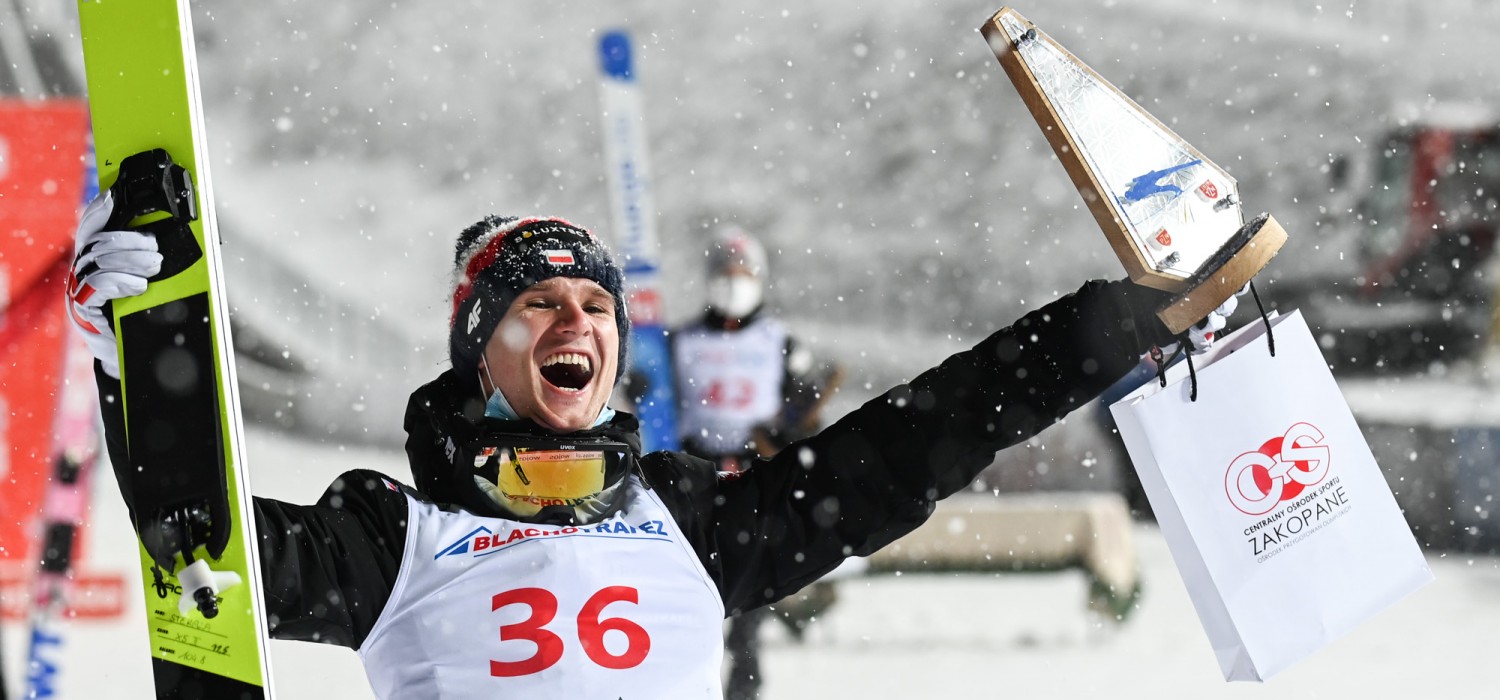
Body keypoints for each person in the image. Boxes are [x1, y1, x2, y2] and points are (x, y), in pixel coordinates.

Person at [69, 197, 1239, 697]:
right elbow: (205, 548)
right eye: (537, 306)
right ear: (480, 352)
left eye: (595, 307)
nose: (575, 323)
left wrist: (1105, 329)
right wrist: (140, 351)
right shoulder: (397, 533)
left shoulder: (693, 520)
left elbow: (920, 438)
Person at [671, 226, 844, 699]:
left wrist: (786, 433)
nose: (733, 282)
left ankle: (745, 681)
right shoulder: (679, 341)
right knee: (692, 580)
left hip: (753, 471)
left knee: (748, 581)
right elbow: (652, 401)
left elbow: (809, 409)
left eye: (742, 273)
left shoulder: (779, 341)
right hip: (692, 470)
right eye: (724, 273)